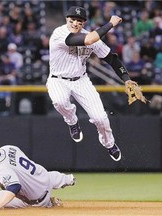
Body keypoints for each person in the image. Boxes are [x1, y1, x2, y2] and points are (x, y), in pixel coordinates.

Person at [46, 6, 137, 161]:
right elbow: (89, 40)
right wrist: (111, 24)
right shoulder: (59, 33)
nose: (75, 23)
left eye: (79, 21)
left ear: (84, 23)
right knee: (59, 101)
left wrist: (126, 78)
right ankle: (72, 121)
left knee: (100, 118)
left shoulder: (90, 36)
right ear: (66, 20)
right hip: (58, 79)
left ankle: (109, 144)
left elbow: (111, 59)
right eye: (72, 20)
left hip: (81, 80)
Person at [0, 139, 75, 210]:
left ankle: (49, 203)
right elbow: (14, 165)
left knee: (0, 196)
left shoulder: (0, 169)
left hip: (39, 199)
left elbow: (14, 187)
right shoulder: (7, 148)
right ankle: (65, 179)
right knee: (41, 176)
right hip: (46, 177)